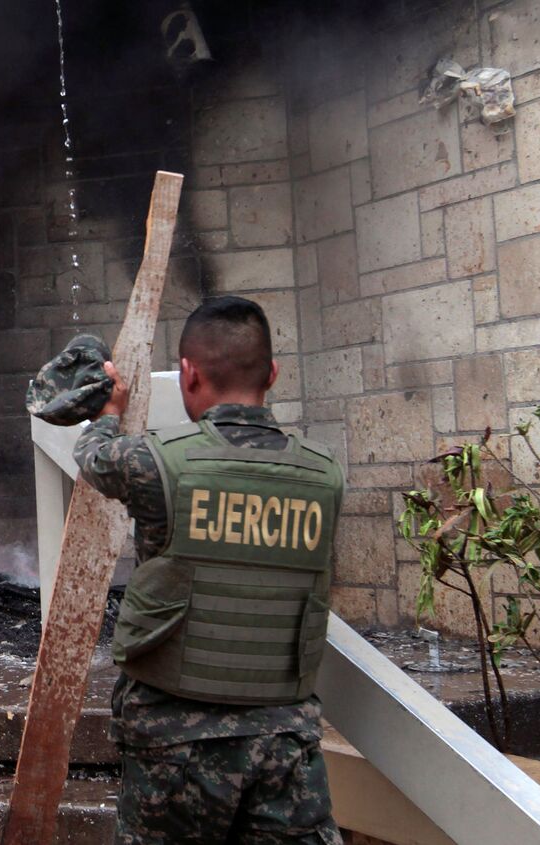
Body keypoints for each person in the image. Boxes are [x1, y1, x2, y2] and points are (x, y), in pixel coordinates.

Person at [74, 295, 344, 844]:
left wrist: (109, 413)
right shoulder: (324, 476)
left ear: (189, 375)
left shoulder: (155, 463)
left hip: (175, 749)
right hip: (285, 744)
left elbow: (93, 456)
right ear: (272, 373)